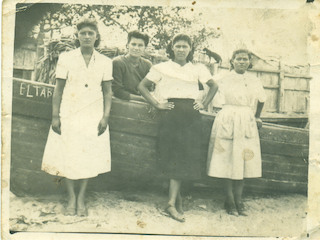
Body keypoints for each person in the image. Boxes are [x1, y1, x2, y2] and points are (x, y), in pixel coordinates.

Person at [138, 34, 218, 222]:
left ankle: (174, 200)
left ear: (190, 49)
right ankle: (172, 203)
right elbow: (142, 86)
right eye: (178, 46)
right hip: (170, 113)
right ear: (172, 48)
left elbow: (214, 86)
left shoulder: (198, 68)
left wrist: (204, 103)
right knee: (172, 154)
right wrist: (157, 104)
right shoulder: (161, 67)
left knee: (185, 155)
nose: (181, 49)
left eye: (185, 46)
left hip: (190, 116)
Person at [41, 18, 113, 217]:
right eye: (83, 33)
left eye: (91, 33)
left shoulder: (106, 62)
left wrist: (105, 117)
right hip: (69, 113)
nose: (87, 36)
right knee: (69, 155)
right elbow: (58, 89)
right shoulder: (66, 58)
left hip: (93, 114)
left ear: (97, 37)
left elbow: (108, 92)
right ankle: (71, 197)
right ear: (78, 36)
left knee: (87, 156)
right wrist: (55, 116)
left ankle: (81, 197)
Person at [207, 49, 266, 216]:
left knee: (242, 161)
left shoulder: (254, 80)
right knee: (227, 159)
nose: (242, 62)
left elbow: (262, 99)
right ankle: (230, 200)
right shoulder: (222, 77)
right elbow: (206, 87)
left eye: (245, 59)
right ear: (231, 61)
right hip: (227, 117)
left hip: (246, 119)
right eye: (238, 59)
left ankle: (239, 200)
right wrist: (205, 106)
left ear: (249, 62)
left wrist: (257, 117)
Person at [112, 30, 152, 101]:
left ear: (145, 47)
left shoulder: (147, 65)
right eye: (133, 44)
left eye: (140, 45)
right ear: (127, 45)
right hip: (122, 102)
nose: (136, 48)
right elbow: (117, 91)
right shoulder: (118, 62)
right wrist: (143, 99)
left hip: (142, 104)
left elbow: (150, 89)